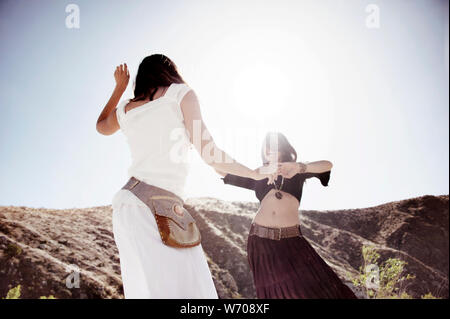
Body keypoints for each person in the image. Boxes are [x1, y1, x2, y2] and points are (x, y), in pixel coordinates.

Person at [96, 54, 275, 298]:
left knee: (148, 292)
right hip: (158, 207)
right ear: (170, 72)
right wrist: (253, 173)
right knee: (194, 293)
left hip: (128, 206)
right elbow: (210, 154)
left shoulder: (127, 108)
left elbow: (101, 126)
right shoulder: (180, 93)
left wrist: (119, 88)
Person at [215, 132, 357, 299]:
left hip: (292, 240)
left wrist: (299, 167)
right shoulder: (258, 176)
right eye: (265, 146)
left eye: (273, 145)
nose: (268, 149)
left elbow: (327, 165)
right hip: (260, 242)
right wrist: (257, 172)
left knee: (323, 289)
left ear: (283, 148)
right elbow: (218, 168)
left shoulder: (296, 170)